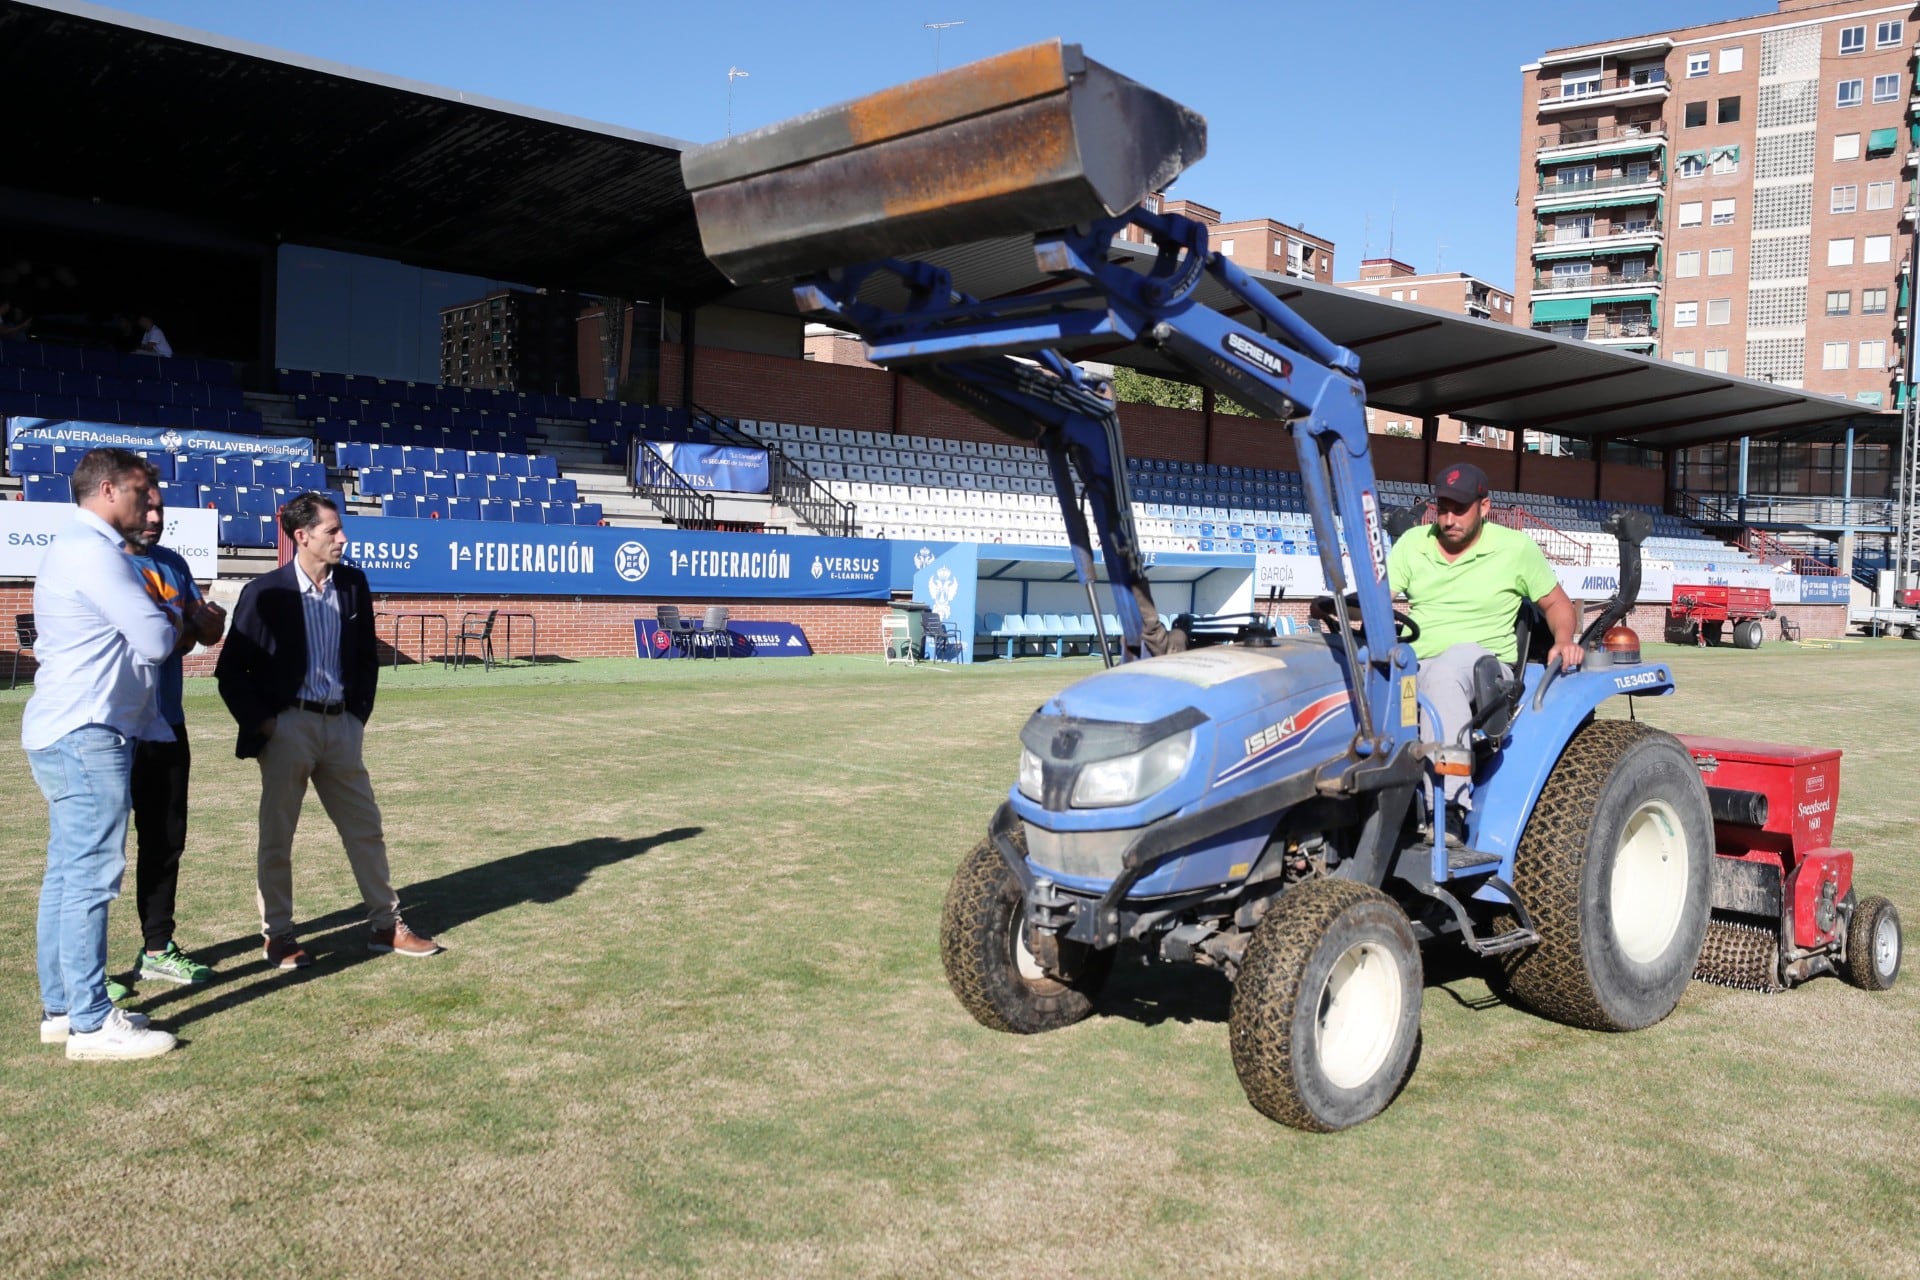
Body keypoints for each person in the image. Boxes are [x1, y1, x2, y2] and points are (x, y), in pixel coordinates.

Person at [215, 493, 442, 968]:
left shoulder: (353, 584)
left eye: (341, 529)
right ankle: (278, 935)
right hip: (288, 728)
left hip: (342, 727)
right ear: (302, 536)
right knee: (277, 838)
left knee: (366, 830)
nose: (343, 538)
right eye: (332, 531)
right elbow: (232, 671)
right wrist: (266, 723)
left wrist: (357, 718)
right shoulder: (265, 592)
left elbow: (365, 659)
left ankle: (386, 925)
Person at [23, 448, 186, 1060]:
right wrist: (177, 618)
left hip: (73, 728)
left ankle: (63, 1008)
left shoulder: (79, 547)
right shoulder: (94, 552)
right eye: (142, 493)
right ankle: (91, 1023)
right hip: (89, 733)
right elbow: (156, 639)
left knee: (67, 875)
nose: (150, 506)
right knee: (89, 877)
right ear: (109, 489)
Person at [1381, 461, 1583, 814]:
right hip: (1416, 663)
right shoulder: (1413, 543)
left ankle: (1448, 806)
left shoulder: (1515, 548)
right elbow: (1378, 599)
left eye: (1459, 510)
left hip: (1484, 669)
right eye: (1443, 509)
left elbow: (1557, 604)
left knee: (1444, 673)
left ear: (1484, 506)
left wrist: (1563, 639)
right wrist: (1343, 608)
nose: (1448, 520)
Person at [125, 488, 226, 986]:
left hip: (166, 723)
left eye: (160, 509)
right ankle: (84, 972)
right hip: (111, 728)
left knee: (165, 841)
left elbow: (197, 636)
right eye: (145, 508)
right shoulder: (105, 564)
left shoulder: (172, 563)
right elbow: (144, 640)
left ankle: (157, 948)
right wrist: (183, 627)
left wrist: (207, 624)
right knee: (98, 851)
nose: (154, 518)